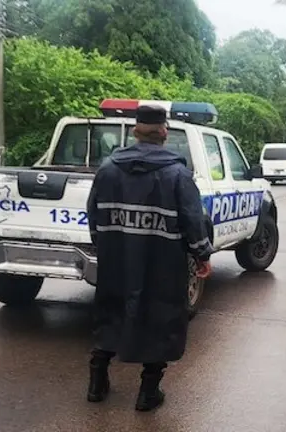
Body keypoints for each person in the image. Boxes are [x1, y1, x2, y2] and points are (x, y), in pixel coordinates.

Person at [85, 105, 214, 411]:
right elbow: (193, 220)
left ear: (135, 131)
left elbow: (93, 214)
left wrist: (103, 243)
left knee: (111, 312)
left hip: (116, 259)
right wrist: (202, 254)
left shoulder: (108, 170)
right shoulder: (177, 174)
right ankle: (148, 393)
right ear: (164, 132)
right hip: (163, 265)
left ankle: (96, 383)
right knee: (161, 318)